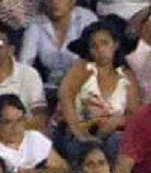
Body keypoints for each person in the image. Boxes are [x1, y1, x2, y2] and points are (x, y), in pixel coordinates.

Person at [56, 18, 140, 164]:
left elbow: (134, 113)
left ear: (116, 44)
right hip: (79, 133)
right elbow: (65, 94)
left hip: (112, 134)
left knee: (118, 141)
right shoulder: (84, 67)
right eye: (94, 46)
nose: (100, 50)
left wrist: (116, 121)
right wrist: (78, 131)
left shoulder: (126, 74)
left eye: (105, 43)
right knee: (85, 147)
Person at [18, 0, 96, 92]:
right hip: (50, 89)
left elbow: (96, 59)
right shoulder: (36, 24)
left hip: (84, 85)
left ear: (72, 2)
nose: (54, 2)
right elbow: (24, 63)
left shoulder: (86, 19)